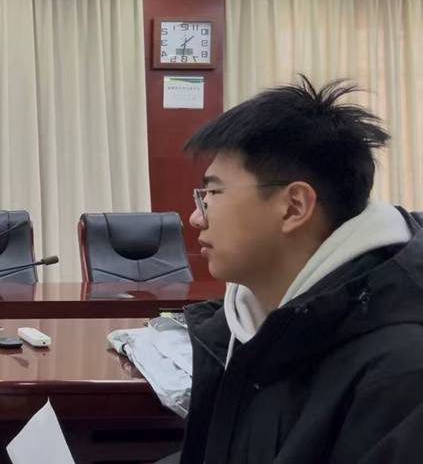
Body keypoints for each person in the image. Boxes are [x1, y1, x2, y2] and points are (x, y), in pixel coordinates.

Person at [174, 77, 423, 463]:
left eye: (212, 193)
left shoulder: (402, 372)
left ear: (294, 207)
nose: (195, 218)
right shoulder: (248, 326)